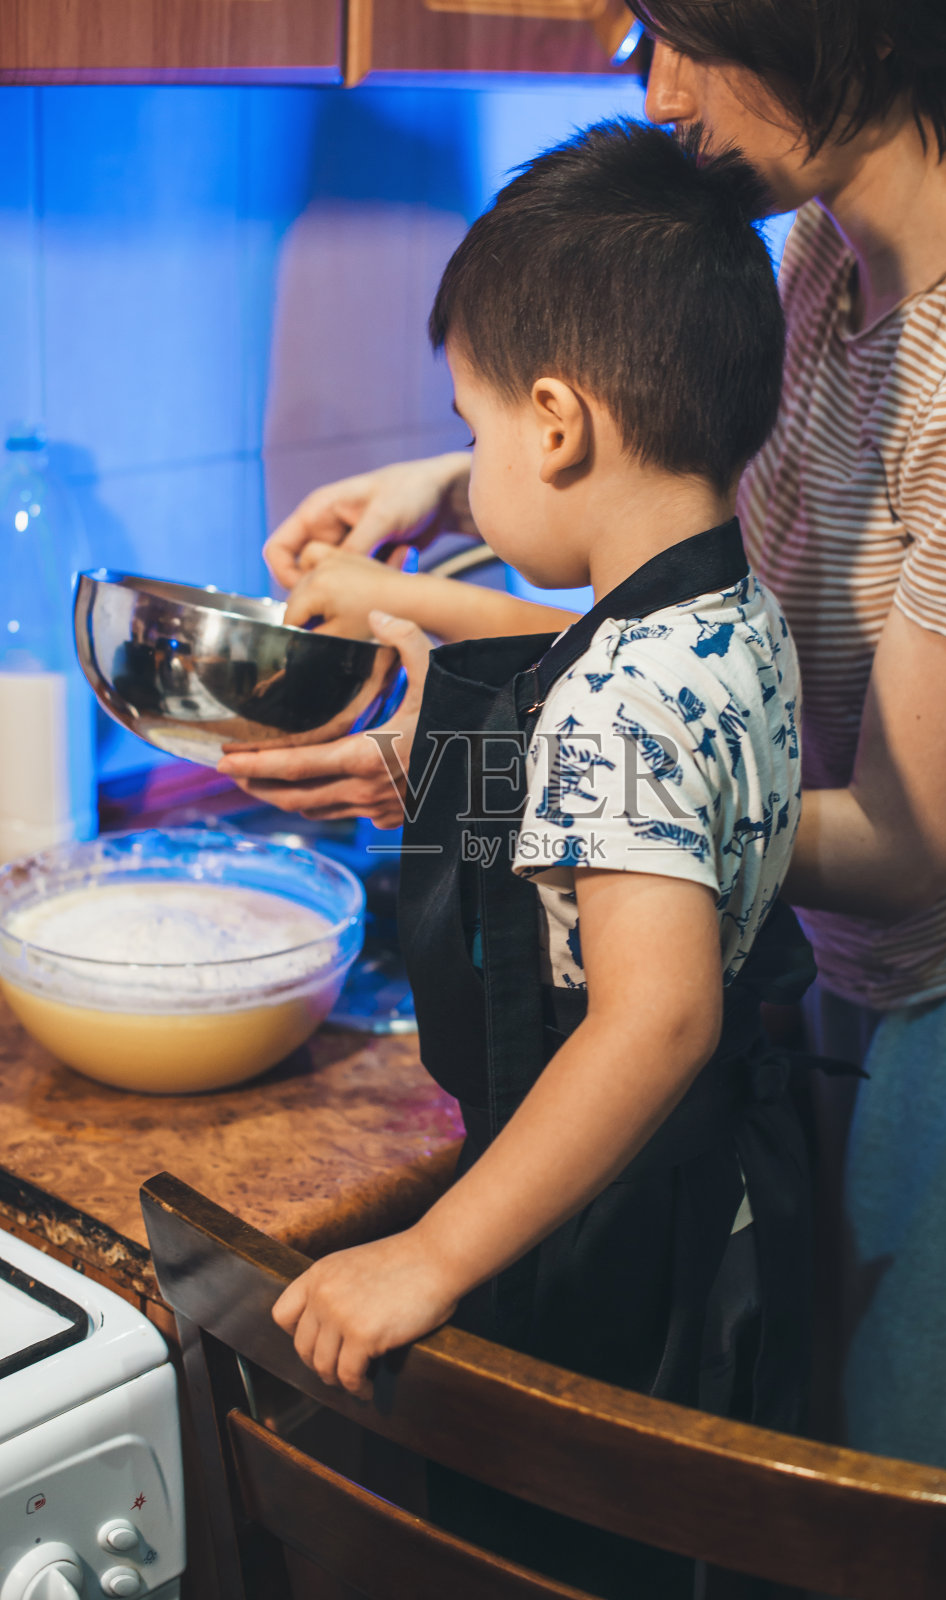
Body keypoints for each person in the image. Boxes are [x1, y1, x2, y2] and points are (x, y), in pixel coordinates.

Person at [224, 7, 946, 1597]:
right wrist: (447, 509)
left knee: (888, 1535)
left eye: (684, 32)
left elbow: (769, 880)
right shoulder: (812, 250)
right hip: (778, 1043)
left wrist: (431, 1249)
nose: (659, 88)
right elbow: (671, 637)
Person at [265, 119, 817, 1599]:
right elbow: (585, 718)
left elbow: (658, 1013)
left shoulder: (624, 693)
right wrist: (397, 621)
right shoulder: (722, 614)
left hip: (608, 1237)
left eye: (472, 422)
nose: (472, 469)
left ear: (560, 426)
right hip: (719, 1200)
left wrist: (431, 1255)